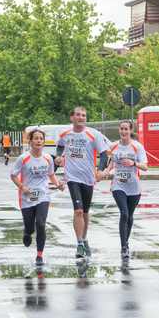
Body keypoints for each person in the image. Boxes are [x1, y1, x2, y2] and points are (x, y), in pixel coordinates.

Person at [55, 106, 109, 260]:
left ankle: (84, 239)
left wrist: (100, 170)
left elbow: (104, 154)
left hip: (88, 178)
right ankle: (79, 243)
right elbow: (59, 147)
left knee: (85, 212)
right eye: (78, 115)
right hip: (72, 178)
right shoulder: (65, 134)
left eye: (84, 115)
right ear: (72, 117)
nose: (81, 118)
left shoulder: (93, 134)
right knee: (78, 210)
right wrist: (58, 157)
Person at [11, 129, 64, 266]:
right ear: (30, 141)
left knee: (40, 223)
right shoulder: (23, 159)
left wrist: (58, 184)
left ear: (43, 142)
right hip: (27, 197)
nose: (39, 140)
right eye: (36, 138)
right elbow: (13, 175)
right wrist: (22, 187)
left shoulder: (47, 158)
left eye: (41, 138)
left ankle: (39, 255)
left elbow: (51, 174)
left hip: (43, 195)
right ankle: (27, 232)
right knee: (30, 227)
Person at [99, 121, 148, 260]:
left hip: (133, 186)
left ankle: (126, 241)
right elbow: (110, 162)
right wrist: (106, 171)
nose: (123, 131)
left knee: (130, 216)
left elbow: (145, 167)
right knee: (124, 213)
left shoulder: (137, 147)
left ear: (130, 130)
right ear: (119, 130)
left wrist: (134, 163)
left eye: (126, 129)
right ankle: (124, 246)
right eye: (121, 129)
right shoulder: (113, 146)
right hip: (118, 184)